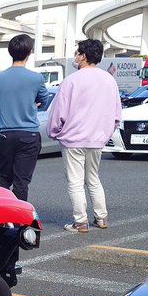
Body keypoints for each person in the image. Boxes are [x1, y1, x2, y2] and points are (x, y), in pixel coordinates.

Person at [47, 39, 122, 233]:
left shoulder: (72, 80)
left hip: (73, 139)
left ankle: (80, 222)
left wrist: (54, 132)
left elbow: (58, 112)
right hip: (97, 139)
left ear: (84, 56)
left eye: (77, 52)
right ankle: (101, 217)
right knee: (93, 179)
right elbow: (116, 114)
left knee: (75, 181)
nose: (76, 56)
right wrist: (105, 134)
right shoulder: (109, 80)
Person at [0, 34, 50, 201]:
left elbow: (0, 98)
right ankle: (19, 218)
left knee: (3, 179)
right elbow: (44, 100)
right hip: (28, 134)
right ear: (29, 53)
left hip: (5, 134)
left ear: (10, 52)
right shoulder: (36, 78)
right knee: (21, 181)